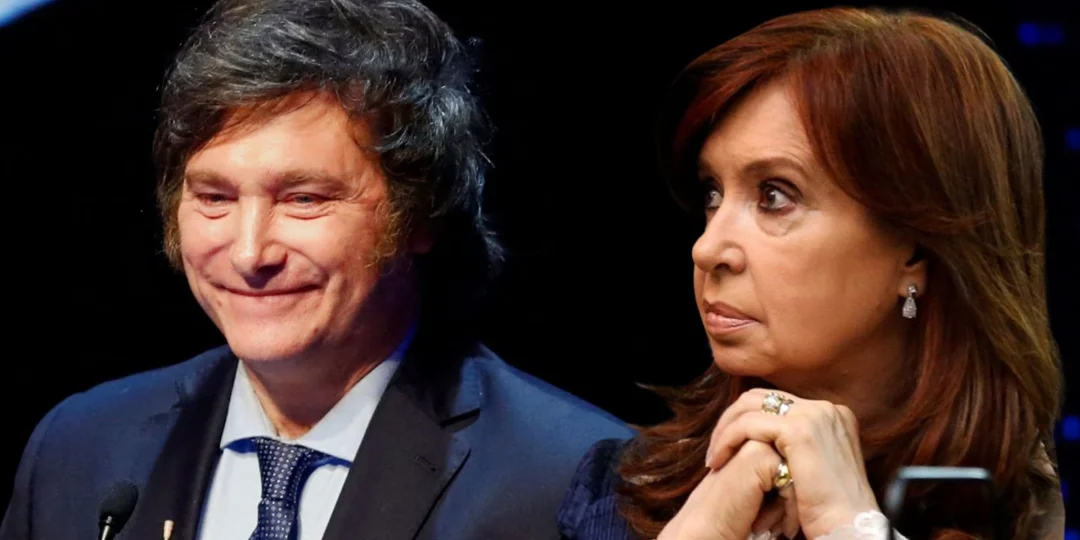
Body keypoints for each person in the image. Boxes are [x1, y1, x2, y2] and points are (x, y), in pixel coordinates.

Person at [0, 1, 632, 539]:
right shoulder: (78, 447)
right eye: (215, 198)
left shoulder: (570, 479)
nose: (249, 253)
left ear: (422, 216)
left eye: (304, 199)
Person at [557, 7, 1065, 540]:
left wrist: (851, 528)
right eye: (713, 193)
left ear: (916, 251)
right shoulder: (619, 492)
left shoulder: (1025, 514)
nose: (707, 249)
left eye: (774, 196)